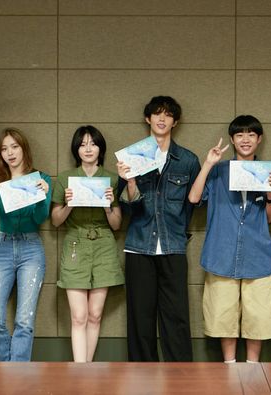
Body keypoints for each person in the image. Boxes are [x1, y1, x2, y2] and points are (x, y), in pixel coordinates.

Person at [188, 115, 271, 363]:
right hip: (221, 253)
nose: (245, 139)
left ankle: (252, 366)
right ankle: (229, 365)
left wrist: (270, 193)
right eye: (240, 135)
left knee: (259, 316)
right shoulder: (219, 171)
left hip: (257, 255)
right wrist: (208, 164)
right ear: (232, 139)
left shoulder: (269, 173)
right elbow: (194, 198)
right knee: (223, 315)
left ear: (259, 139)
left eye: (251, 134)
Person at [116, 96, 200, 362]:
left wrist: (178, 230)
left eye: (168, 114)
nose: (162, 119)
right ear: (148, 119)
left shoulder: (187, 160)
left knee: (176, 316)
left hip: (173, 246)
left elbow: (192, 204)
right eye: (156, 114)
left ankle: (180, 376)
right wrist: (130, 182)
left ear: (175, 122)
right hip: (139, 245)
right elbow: (127, 209)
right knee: (140, 317)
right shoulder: (131, 158)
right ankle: (142, 376)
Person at [0, 128, 51, 361]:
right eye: (4, 149)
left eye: (14, 146)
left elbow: (39, 218)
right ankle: (12, 368)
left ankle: (15, 376)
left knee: (24, 321)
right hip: (3, 247)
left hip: (31, 248)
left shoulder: (41, 179)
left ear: (23, 148)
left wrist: (43, 197)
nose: (10, 153)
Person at [51, 126, 124, 362]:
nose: (88, 149)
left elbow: (116, 225)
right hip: (75, 243)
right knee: (79, 316)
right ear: (76, 150)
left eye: (93, 143)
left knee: (95, 314)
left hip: (104, 245)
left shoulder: (112, 179)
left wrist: (108, 206)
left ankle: (87, 369)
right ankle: (79, 371)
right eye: (82, 144)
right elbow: (55, 221)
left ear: (101, 148)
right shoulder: (65, 178)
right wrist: (69, 204)